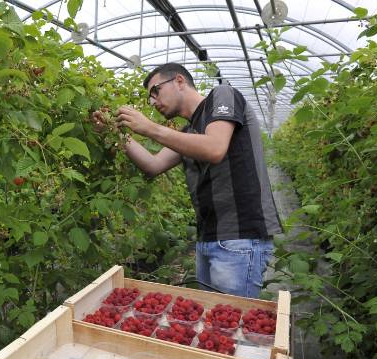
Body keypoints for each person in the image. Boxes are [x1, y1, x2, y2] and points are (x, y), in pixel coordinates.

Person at [93, 62, 282, 298]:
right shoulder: (188, 132)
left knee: (235, 329)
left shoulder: (223, 95)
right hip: (210, 238)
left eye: (156, 91)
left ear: (179, 81)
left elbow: (215, 148)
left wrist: (150, 128)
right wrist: (115, 133)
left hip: (239, 238)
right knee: (215, 327)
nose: (152, 101)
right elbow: (153, 165)